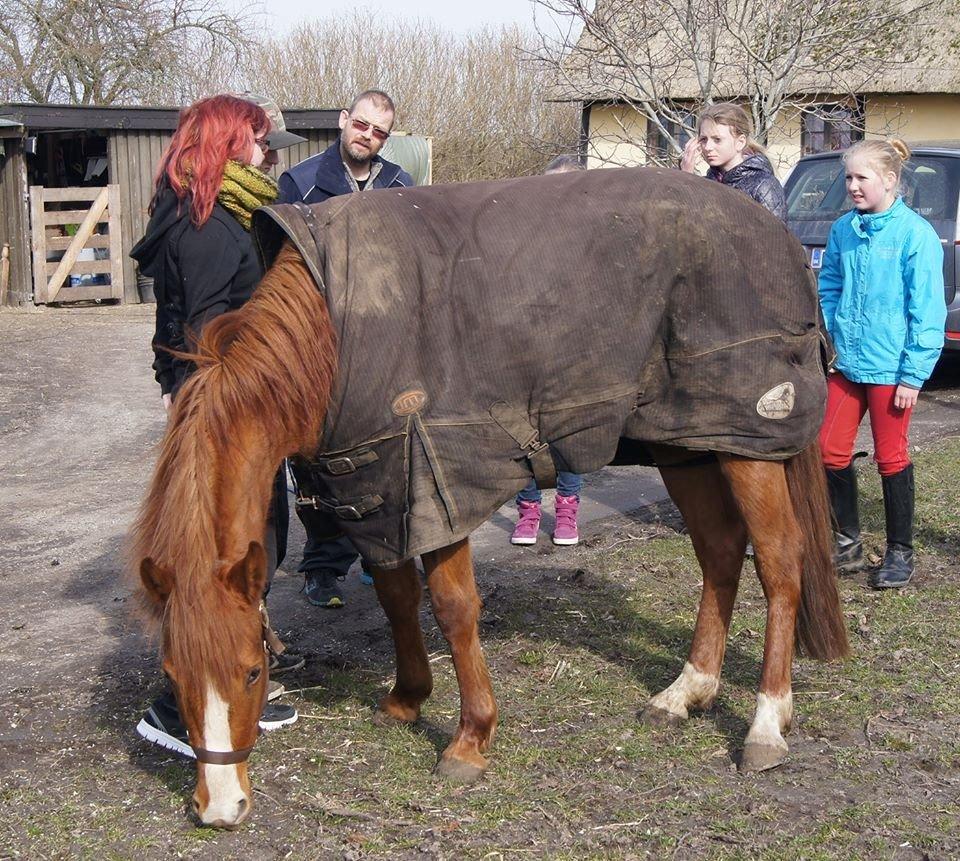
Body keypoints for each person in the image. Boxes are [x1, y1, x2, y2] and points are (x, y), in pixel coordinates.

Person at [130, 94, 306, 756]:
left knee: (249, 543)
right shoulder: (203, 225)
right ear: (231, 143)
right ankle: (178, 711)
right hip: (225, 417)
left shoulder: (215, 208)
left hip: (229, 410)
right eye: (261, 140)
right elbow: (203, 330)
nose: (270, 151)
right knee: (224, 551)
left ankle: (235, 678)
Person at [278, 89, 414, 608]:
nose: (368, 137)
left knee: (384, 450)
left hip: (379, 339)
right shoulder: (301, 181)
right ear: (343, 120)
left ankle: (380, 560)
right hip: (322, 340)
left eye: (379, 132)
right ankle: (322, 568)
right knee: (319, 458)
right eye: (361, 125)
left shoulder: (400, 183)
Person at [817, 139, 945, 589]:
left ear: (889, 181)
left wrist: (914, 374)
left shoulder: (915, 235)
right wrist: (830, 336)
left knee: (891, 458)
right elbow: (829, 284)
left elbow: (927, 311)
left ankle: (899, 551)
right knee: (828, 450)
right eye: (848, 177)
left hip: (893, 370)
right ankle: (846, 543)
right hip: (847, 365)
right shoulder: (843, 230)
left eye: (861, 178)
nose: (852, 186)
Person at [511, 155, 586, 547]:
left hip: (574, 352)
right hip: (529, 350)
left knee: (569, 438)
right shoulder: (526, 235)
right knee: (524, 434)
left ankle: (567, 510)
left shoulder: (590, 239)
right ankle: (528, 510)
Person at [680, 102, 786, 220]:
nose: (708, 147)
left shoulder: (764, 184)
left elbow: (777, 236)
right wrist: (685, 178)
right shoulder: (705, 184)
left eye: (717, 139)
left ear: (740, 142)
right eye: (703, 139)